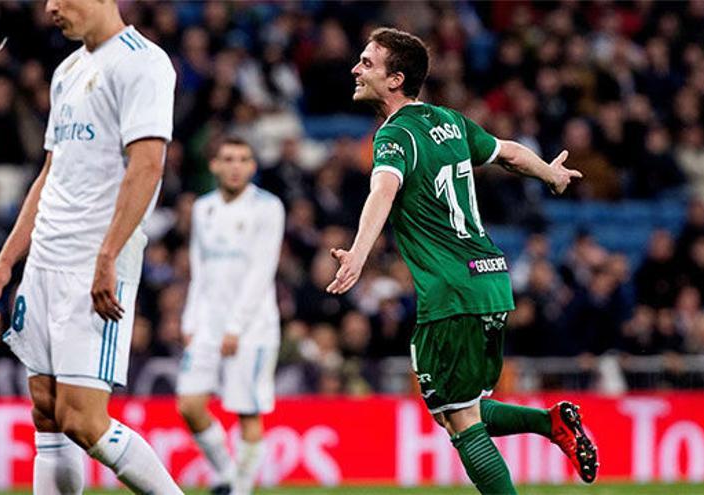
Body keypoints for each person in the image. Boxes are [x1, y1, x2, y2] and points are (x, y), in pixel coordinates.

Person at [328, 27, 597, 493]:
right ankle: (553, 423)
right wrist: (549, 173)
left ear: (395, 80)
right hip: (491, 280)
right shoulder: (449, 122)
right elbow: (508, 152)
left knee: (461, 419)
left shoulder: (394, 135)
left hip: (450, 290)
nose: (356, 69)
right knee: (465, 405)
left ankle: (546, 432)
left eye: (367, 63)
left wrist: (357, 251)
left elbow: (383, 191)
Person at [0, 1, 181, 493]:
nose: (51, 7)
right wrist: (8, 258)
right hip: (45, 258)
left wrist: (107, 255)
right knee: (47, 413)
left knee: (83, 420)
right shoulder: (67, 69)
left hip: (94, 259)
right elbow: (51, 172)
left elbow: (147, 167)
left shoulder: (142, 62)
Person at [176, 137, 285, 495]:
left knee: (246, 412)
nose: (236, 165)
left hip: (252, 328)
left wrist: (236, 326)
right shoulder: (203, 208)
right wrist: (190, 321)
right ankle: (225, 471)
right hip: (207, 323)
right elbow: (198, 267)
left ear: (253, 166)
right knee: (189, 404)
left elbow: (261, 271)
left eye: (243, 159)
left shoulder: (268, 208)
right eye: (228, 158)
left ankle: (239, 489)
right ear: (215, 165)